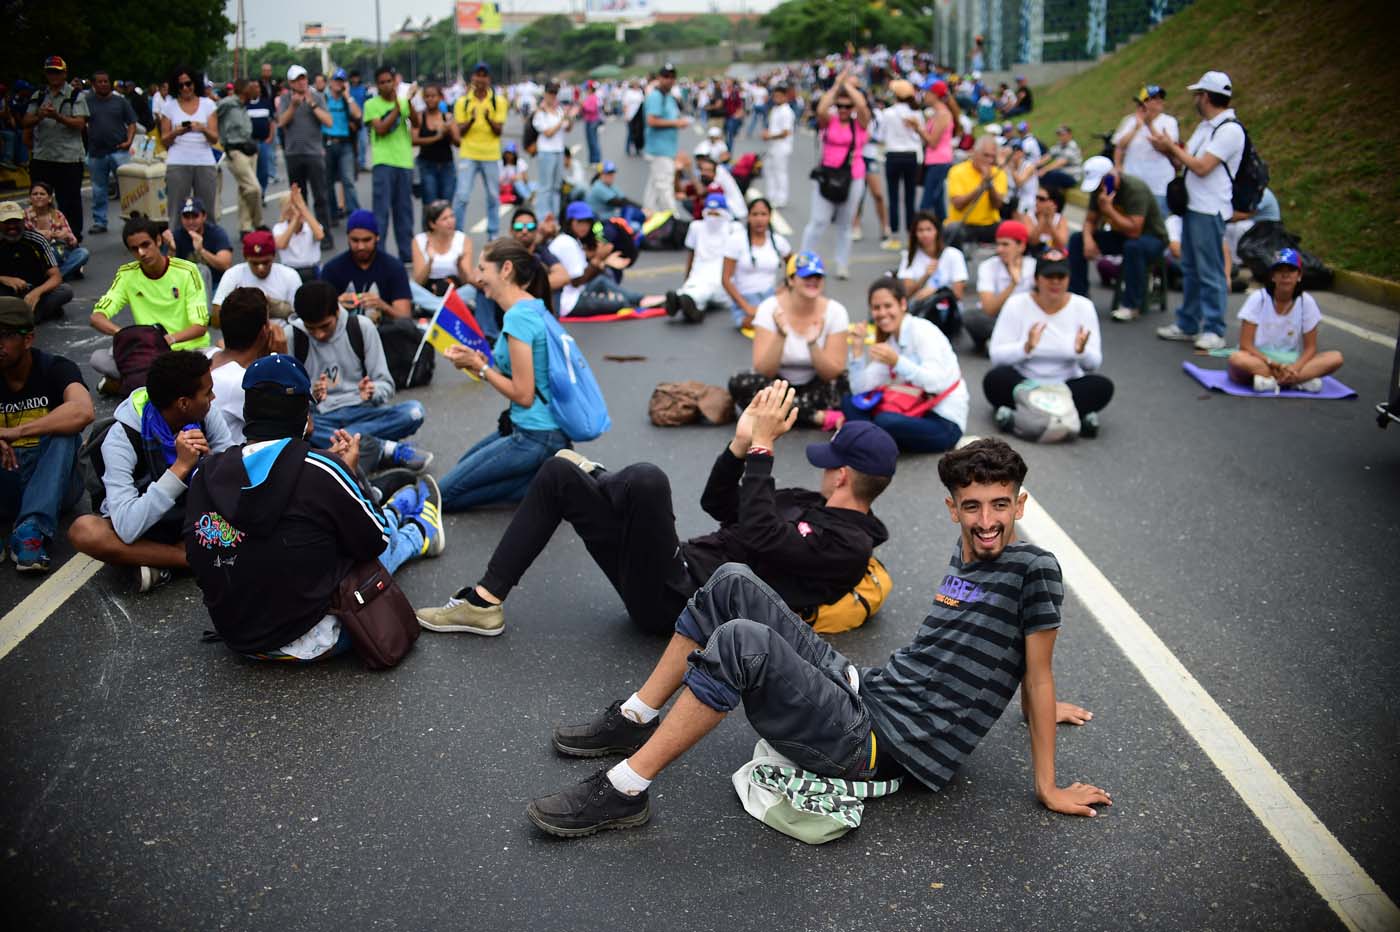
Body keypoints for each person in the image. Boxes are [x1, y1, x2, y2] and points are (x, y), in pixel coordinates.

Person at [524, 436, 1107, 837]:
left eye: (1001, 506)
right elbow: (989, 654)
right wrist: (1037, 708)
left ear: (1020, 503)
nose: (987, 521)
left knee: (742, 641)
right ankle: (635, 716)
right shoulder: (969, 551)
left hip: (875, 744)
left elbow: (1037, 668)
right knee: (732, 582)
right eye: (973, 506)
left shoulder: (1035, 568)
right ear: (952, 509)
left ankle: (624, 791)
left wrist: (1049, 785)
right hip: (867, 690)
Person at [419, 377, 894, 641]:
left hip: (681, 601)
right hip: (668, 568)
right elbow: (721, 505)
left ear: (843, 475)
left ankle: (603, 479)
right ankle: (484, 602)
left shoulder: (848, 546)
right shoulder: (812, 503)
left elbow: (762, 537)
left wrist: (764, 453)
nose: (822, 470)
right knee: (557, 474)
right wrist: (741, 444)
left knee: (647, 480)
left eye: (829, 464)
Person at [185, 354, 443, 662]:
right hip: (316, 638)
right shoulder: (322, 469)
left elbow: (198, 556)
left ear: (247, 410)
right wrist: (347, 474)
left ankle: (398, 511)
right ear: (304, 414)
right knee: (372, 542)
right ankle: (418, 532)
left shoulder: (205, 474)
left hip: (240, 640)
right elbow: (374, 543)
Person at [67, 351, 236, 593]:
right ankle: (186, 559)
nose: (213, 396)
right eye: (207, 392)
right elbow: (126, 527)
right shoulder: (120, 439)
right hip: (145, 526)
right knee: (85, 532)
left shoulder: (205, 414)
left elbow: (234, 479)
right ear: (183, 403)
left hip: (194, 516)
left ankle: (157, 564)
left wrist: (209, 461)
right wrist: (180, 468)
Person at [435, 237, 570, 512]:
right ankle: (544, 479)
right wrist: (478, 362)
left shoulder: (518, 318)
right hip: (532, 429)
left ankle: (545, 486)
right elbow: (526, 370)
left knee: (442, 495)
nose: (478, 277)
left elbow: (523, 393)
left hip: (535, 435)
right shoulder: (531, 307)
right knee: (461, 473)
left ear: (505, 269)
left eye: (483, 269)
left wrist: (481, 368)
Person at [282, 281, 430, 473]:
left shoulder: (361, 327)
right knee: (293, 428)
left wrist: (372, 391)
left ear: (337, 312)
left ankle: (346, 447)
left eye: (325, 326)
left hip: (362, 410)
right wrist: (310, 395)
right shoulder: (292, 336)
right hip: (321, 418)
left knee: (414, 412)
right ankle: (384, 448)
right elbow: (287, 397)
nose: (319, 334)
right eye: (312, 328)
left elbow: (386, 384)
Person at [1151, 71, 1245, 352]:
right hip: (1193, 206)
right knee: (1190, 268)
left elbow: (1203, 167)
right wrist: (1168, 150)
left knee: (1210, 271)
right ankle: (1188, 323)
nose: (1195, 100)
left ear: (1206, 96)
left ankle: (1215, 329)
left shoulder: (1229, 130)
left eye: (1197, 95)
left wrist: (1173, 149)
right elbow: (1185, 162)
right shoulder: (1205, 127)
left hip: (1209, 208)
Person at [0, 297, 94, 572]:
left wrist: (15, 432)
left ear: (28, 339)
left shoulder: (55, 368)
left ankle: (31, 530)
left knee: (65, 430)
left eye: (4, 335)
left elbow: (83, 411)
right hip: (8, 478)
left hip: (55, 480)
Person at [985, 249, 1112, 436]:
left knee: (1102, 386)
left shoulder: (1083, 307)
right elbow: (996, 357)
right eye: (1049, 276)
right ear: (1037, 279)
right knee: (994, 380)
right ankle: (1071, 416)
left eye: (1061, 276)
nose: (1055, 282)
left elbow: (1093, 364)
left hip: (1066, 385)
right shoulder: (1016, 304)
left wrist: (1081, 352)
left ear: (1069, 279)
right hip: (1025, 383)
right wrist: (1026, 348)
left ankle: (1020, 416)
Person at [729, 251, 850, 431]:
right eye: (806, 276)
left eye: (818, 276)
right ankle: (815, 416)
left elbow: (833, 373)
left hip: (816, 385)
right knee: (740, 383)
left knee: (845, 387)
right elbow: (764, 370)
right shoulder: (769, 308)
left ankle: (781, 412)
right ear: (791, 280)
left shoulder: (836, 312)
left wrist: (812, 345)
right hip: (778, 385)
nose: (813, 281)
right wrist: (781, 335)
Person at [843, 277, 966, 453]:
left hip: (943, 419)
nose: (882, 313)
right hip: (910, 411)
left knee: (885, 421)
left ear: (902, 304)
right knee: (849, 401)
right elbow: (860, 390)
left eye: (887, 306)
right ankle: (870, 441)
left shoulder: (923, 331)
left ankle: (864, 439)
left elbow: (935, 383)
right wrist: (856, 351)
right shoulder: (892, 342)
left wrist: (898, 362)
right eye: (876, 308)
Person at [1226, 249, 1343, 394]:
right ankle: (1297, 381)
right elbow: (1245, 345)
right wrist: (1271, 362)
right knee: (1237, 359)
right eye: (1280, 270)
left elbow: (1310, 348)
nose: (1285, 275)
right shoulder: (1258, 298)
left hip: (1290, 362)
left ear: (1299, 275)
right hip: (1259, 359)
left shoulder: (1306, 302)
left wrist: (1295, 368)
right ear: (1273, 276)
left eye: (1291, 270)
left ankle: (1277, 380)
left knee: (1335, 358)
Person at [1069, 157, 1168, 323]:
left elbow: (1135, 230)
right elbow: (1090, 220)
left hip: (1151, 237)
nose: (1100, 188)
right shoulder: (1100, 190)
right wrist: (1088, 240)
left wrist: (1109, 210)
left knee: (1133, 247)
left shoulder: (1135, 189)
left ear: (1110, 176)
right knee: (1076, 240)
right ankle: (1078, 296)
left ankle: (1131, 304)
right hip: (1121, 235)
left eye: (1102, 182)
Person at [800, 66, 871, 281]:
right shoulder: (828, 121)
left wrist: (848, 86)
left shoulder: (859, 124)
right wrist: (836, 85)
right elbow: (822, 107)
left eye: (846, 106)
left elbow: (861, 105)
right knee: (818, 221)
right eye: (839, 106)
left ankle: (842, 264)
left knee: (845, 223)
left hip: (852, 176)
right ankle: (804, 259)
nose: (842, 109)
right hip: (827, 175)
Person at [551, 202, 664, 318]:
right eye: (580, 222)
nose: (584, 226)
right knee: (620, 303)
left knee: (602, 279)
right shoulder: (567, 243)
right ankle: (637, 301)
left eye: (587, 222)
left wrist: (602, 261)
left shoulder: (573, 240)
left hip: (577, 291)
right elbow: (577, 281)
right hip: (568, 302)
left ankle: (640, 298)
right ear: (570, 222)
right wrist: (599, 260)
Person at [21, 56, 89, 241]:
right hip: (43, 156)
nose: (54, 76)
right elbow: (25, 121)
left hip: (68, 158)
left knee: (70, 202)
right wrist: (40, 116)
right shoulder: (39, 95)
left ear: (65, 74)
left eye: (57, 72)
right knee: (39, 199)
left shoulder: (75, 96)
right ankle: (37, 236)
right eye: (51, 72)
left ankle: (72, 239)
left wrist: (58, 117)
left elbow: (80, 123)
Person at [277, 65, 335, 252]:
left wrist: (312, 105)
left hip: (314, 153)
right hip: (294, 153)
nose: (301, 82)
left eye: (303, 78)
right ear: (291, 83)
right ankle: (298, 233)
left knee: (320, 195)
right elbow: (281, 122)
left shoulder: (317, 96)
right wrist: (293, 106)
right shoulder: (285, 99)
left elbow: (328, 121)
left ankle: (324, 234)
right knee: (297, 198)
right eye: (297, 80)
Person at [319, 209, 414, 322]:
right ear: (348, 238)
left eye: (366, 240)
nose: (361, 247)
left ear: (377, 237)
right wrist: (335, 305)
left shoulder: (394, 268)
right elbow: (319, 315)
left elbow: (405, 317)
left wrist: (383, 306)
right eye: (355, 240)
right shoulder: (332, 269)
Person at [363, 66, 418, 263]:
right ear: (377, 85)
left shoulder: (404, 102)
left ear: (395, 82)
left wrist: (408, 101)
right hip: (383, 162)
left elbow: (417, 122)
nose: (386, 85)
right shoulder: (371, 105)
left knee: (404, 211)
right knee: (381, 212)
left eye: (389, 81)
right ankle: (380, 255)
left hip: (404, 161)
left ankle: (407, 254)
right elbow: (382, 128)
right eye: (382, 82)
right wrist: (398, 106)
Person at [452, 62, 508, 239]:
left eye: (484, 76)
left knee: (493, 196)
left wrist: (487, 118)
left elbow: (499, 130)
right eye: (478, 75)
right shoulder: (463, 101)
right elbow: (460, 130)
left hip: (490, 154)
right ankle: (458, 234)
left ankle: (493, 234)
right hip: (469, 153)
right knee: (462, 196)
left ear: (489, 79)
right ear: (473, 78)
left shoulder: (498, 101)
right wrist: (471, 119)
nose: (481, 79)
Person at [664, 193, 739, 323]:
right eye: (710, 214)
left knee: (707, 289)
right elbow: (691, 254)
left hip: (722, 279)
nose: (713, 218)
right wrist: (686, 278)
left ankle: (687, 302)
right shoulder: (696, 227)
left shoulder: (733, 229)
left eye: (717, 214)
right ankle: (683, 302)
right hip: (699, 274)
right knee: (691, 287)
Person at [160, 67, 219, 230]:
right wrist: (176, 132)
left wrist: (202, 128)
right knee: (177, 210)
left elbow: (214, 138)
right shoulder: (169, 106)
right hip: (178, 160)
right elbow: (164, 140)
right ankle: (177, 248)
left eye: (188, 84)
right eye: (180, 86)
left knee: (206, 210)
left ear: (195, 84)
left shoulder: (208, 105)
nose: (185, 88)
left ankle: (208, 247)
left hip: (204, 161)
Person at [964, 219, 1036, 352]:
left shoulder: (1034, 266)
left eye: (1005, 245)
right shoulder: (988, 266)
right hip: (997, 317)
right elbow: (989, 309)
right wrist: (1013, 284)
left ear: (1021, 246)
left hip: (1024, 319)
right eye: (998, 244)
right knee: (971, 317)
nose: (999, 249)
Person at [721, 198, 791, 329]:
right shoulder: (736, 240)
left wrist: (785, 288)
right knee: (761, 323)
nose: (759, 219)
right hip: (746, 298)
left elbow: (795, 267)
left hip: (772, 296)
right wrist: (746, 307)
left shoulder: (778, 241)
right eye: (755, 214)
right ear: (748, 217)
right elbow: (725, 279)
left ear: (770, 216)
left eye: (763, 214)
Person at [84, 70, 139, 236]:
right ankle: (100, 221)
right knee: (99, 189)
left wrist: (129, 141)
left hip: (119, 150)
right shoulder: (87, 102)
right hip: (96, 152)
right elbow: (80, 123)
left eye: (106, 81)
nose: (103, 84)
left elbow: (132, 122)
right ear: (93, 85)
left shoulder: (120, 101)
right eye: (99, 82)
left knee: (129, 189)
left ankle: (133, 221)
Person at [0, 201, 73, 323]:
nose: (12, 226)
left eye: (16, 221)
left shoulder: (37, 240)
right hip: (6, 294)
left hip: (36, 291)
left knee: (66, 291)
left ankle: (16, 317)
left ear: (23, 221)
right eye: (7, 222)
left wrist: (36, 292)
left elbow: (56, 277)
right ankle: (32, 314)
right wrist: (4, 279)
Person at [1113, 85, 1178, 217]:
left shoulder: (1169, 121)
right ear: (1143, 103)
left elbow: (1167, 147)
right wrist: (1137, 127)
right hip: (1133, 184)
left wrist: (1149, 125)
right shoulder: (1130, 120)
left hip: (1159, 186)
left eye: (1161, 98)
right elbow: (1119, 145)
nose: (1159, 101)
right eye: (1153, 98)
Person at [212, 231, 302, 322]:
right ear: (245, 258)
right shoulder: (232, 275)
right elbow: (216, 320)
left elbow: (301, 317)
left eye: (266, 262)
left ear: (274, 256)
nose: (260, 268)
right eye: (254, 263)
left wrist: (278, 309)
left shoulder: (290, 275)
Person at [896, 211, 969, 321]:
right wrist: (925, 276)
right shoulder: (909, 256)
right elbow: (907, 292)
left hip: (948, 311)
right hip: (920, 310)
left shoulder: (953, 255)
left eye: (929, 229)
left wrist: (935, 292)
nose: (925, 234)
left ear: (937, 231)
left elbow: (958, 294)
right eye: (920, 230)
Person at [943, 135, 1008, 251]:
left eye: (992, 157)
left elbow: (997, 205)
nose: (989, 160)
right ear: (974, 153)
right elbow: (958, 205)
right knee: (952, 230)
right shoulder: (957, 171)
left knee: (1012, 230)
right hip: (964, 224)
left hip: (989, 224)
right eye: (986, 155)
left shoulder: (999, 173)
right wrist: (980, 188)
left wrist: (990, 185)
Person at [216, 79, 264, 234]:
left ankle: (245, 226)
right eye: (254, 87)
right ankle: (258, 222)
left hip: (249, 150)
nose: (257, 90)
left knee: (244, 191)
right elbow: (213, 115)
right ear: (245, 90)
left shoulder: (243, 106)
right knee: (253, 188)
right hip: (235, 151)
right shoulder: (228, 104)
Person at [410, 200, 475, 314]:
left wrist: (459, 266)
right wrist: (430, 261)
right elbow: (419, 281)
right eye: (444, 219)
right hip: (429, 290)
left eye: (452, 216)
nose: (451, 221)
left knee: (475, 289)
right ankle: (443, 306)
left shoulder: (463, 240)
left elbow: (467, 281)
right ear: (432, 224)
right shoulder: (419, 240)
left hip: (455, 289)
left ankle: (436, 307)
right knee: (410, 287)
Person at [882, 80, 925, 247]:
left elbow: (881, 134)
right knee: (910, 197)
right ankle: (910, 235)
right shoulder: (916, 113)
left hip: (893, 154)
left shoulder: (888, 113)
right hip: (911, 155)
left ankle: (894, 236)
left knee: (893, 197)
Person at [643, 65, 690, 213]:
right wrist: (676, 123)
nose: (669, 80)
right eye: (666, 77)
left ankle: (648, 214)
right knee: (664, 187)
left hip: (668, 148)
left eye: (672, 77)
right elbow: (651, 120)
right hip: (659, 149)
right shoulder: (656, 96)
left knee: (654, 188)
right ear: (659, 78)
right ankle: (673, 219)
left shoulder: (669, 97)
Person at [167, 197, 234, 297]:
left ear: (204, 216)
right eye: (186, 217)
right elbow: (166, 272)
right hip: (186, 286)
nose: (190, 221)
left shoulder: (217, 233)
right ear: (181, 218)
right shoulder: (175, 236)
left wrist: (201, 250)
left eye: (195, 216)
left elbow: (225, 265)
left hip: (215, 285)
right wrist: (171, 250)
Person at [23, 181, 89, 281]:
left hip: (60, 252)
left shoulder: (58, 215)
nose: (38, 196)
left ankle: (57, 277)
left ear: (49, 198)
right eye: (35, 194)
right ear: (30, 198)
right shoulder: (24, 215)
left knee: (83, 253)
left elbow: (74, 243)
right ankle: (64, 274)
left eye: (42, 194)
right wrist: (40, 235)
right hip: (38, 255)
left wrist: (66, 237)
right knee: (51, 251)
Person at [917, 79, 957, 223]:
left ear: (934, 94)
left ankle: (921, 232)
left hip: (939, 161)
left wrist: (918, 128)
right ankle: (943, 233)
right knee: (938, 203)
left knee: (927, 203)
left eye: (926, 92)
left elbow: (933, 142)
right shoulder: (936, 114)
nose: (924, 95)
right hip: (934, 160)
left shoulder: (942, 114)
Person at [531, 82, 571, 222]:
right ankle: (542, 217)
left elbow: (567, 128)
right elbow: (548, 133)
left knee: (556, 187)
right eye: (551, 93)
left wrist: (570, 116)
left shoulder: (559, 111)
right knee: (545, 187)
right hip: (546, 152)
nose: (553, 96)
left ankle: (554, 217)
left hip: (558, 150)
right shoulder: (540, 112)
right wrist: (561, 121)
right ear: (545, 94)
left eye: (555, 93)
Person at [413, 84, 456, 213]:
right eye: (427, 96)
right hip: (427, 165)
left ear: (440, 98)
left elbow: (458, 142)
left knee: (446, 205)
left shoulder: (447, 117)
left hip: (447, 166)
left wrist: (448, 131)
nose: (430, 99)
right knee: (430, 206)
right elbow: (414, 140)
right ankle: (428, 232)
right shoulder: (420, 117)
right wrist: (436, 137)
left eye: (433, 96)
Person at [272, 184, 326, 282]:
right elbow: (281, 244)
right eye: (292, 209)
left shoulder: (310, 225)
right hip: (289, 271)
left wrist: (303, 208)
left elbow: (320, 235)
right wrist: (295, 220)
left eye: (298, 208)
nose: (296, 212)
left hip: (312, 270)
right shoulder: (279, 227)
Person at [761, 85, 794, 208]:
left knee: (780, 172)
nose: (777, 98)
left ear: (785, 97)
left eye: (780, 96)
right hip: (772, 146)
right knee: (769, 171)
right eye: (775, 96)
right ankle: (771, 196)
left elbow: (786, 132)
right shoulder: (775, 109)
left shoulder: (787, 111)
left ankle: (781, 198)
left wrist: (769, 136)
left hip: (782, 146)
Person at [1035, 125, 1082, 191]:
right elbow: (1048, 156)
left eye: (1063, 134)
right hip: (1061, 173)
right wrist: (1033, 166)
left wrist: (1044, 170)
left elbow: (1060, 163)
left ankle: (1048, 195)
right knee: (1041, 172)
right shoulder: (1059, 145)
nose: (1061, 137)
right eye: (1059, 135)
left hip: (1072, 176)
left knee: (1050, 175)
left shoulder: (1072, 146)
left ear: (1070, 135)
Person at [580, 81, 603, 165]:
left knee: (593, 141)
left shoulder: (593, 97)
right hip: (588, 120)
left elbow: (593, 109)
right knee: (590, 141)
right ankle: (592, 160)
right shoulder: (589, 96)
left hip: (593, 121)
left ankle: (596, 160)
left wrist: (583, 106)